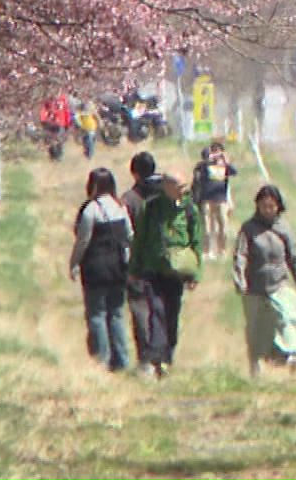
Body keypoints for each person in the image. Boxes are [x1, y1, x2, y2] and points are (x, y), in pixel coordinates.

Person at [232, 184, 296, 376]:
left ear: (278, 206)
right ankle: (255, 366)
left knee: (286, 320)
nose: (268, 210)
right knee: (256, 330)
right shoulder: (249, 229)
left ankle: (293, 356)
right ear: (257, 206)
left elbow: (293, 255)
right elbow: (240, 255)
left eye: (271, 206)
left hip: (278, 286)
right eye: (264, 206)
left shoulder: (283, 229)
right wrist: (240, 279)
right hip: (254, 289)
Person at [130, 173, 202, 378]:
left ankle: (167, 356)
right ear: (166, 186)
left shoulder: (190, 209)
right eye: (179, 186)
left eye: (185, 186)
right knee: (157, 311)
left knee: (172, 314)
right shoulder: (151, 207)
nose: (183, 190)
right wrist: (134, 269)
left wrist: (196, 274)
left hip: (177, 272)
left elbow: (196, 241)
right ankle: (155, 357)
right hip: (153, 268)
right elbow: (140, 239)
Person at [69, 167, 133, 371]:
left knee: (97, 315)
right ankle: (121, 359)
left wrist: (74, 263)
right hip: (118, 268)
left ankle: (101, 360)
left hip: (95, 269)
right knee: (117, 314)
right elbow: (129, 236)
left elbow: (83, 240)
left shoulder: (91, 209)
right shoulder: (120, 207)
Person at [121, 151, 164, 370]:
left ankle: (146, 360)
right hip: (164, 262)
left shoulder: (129, 199)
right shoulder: (166, 195)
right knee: (163, 310)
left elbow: (124, 234)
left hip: (138, 263)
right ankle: (162, 357)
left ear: (134, 173)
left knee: (140, 310)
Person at [193, 142, 235, 256]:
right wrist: (209, 160)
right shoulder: (204, 165)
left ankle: (222, 250)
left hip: (221, 200)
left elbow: (234, 172)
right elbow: (197, 171)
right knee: (207, 227)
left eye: (218, 151)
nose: (216, 153)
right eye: (214, 150)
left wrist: (225, 161)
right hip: (207, 199)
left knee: (223, 227)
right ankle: (207, 251)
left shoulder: (224, 166)